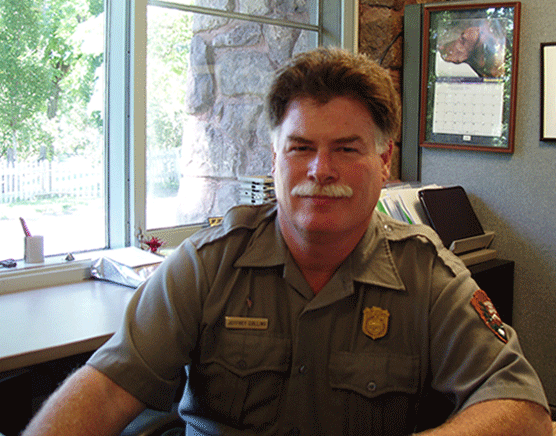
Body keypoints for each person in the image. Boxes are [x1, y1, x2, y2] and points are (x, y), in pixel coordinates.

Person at [23, 47, 552, 436]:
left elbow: (524, 411)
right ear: (274, 161)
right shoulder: (207, 266)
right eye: (301, 148)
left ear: (384, 162)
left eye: (347, 149)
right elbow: (108, 387)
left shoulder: (427, 275)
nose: (321, 171)